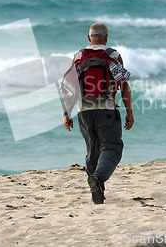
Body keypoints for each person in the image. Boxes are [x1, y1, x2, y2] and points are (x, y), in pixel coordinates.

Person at [62, 23, 134, 204]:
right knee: (111, 147)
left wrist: (66, 112)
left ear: (89, 38)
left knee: (92, 151)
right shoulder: (113, 55)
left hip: (84, 112)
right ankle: (99, 179)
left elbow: (71, 87)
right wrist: (129, 112)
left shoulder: (78, 56)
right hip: (107, 109)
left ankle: (97, 189)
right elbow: (124, 85)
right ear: (106, 37)